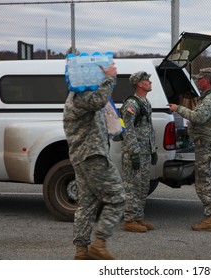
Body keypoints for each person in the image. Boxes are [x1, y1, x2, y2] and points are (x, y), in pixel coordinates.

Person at [63, 63, 125, 260]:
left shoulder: (80, 97)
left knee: (87, 204)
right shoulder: (82, 98)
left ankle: (81, 251)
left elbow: (101, 106)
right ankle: (99, 244)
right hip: (92, 156)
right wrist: (109, 78)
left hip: (84, 157)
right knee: (117, 197)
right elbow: (99, 100)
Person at [168, 67, 211, 231]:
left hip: (205, 143)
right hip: (209, 141)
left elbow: (199, 117)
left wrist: (178, 108)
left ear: (205, 81)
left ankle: (209, 219)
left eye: (199, 79)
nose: (197, 81)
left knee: (203, 181)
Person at [121, 71, 157, 233]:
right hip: (134, 153)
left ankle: (138, 217)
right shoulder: (132, 104)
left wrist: (153, 149)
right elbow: (127, 130)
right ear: (139, 84)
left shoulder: (145, 102)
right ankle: (129, 220)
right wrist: (134, 152)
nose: (150, 82)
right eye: (147, 80)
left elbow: (148, 128)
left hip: (145, 151)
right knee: (133, 186)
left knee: (143, 186)